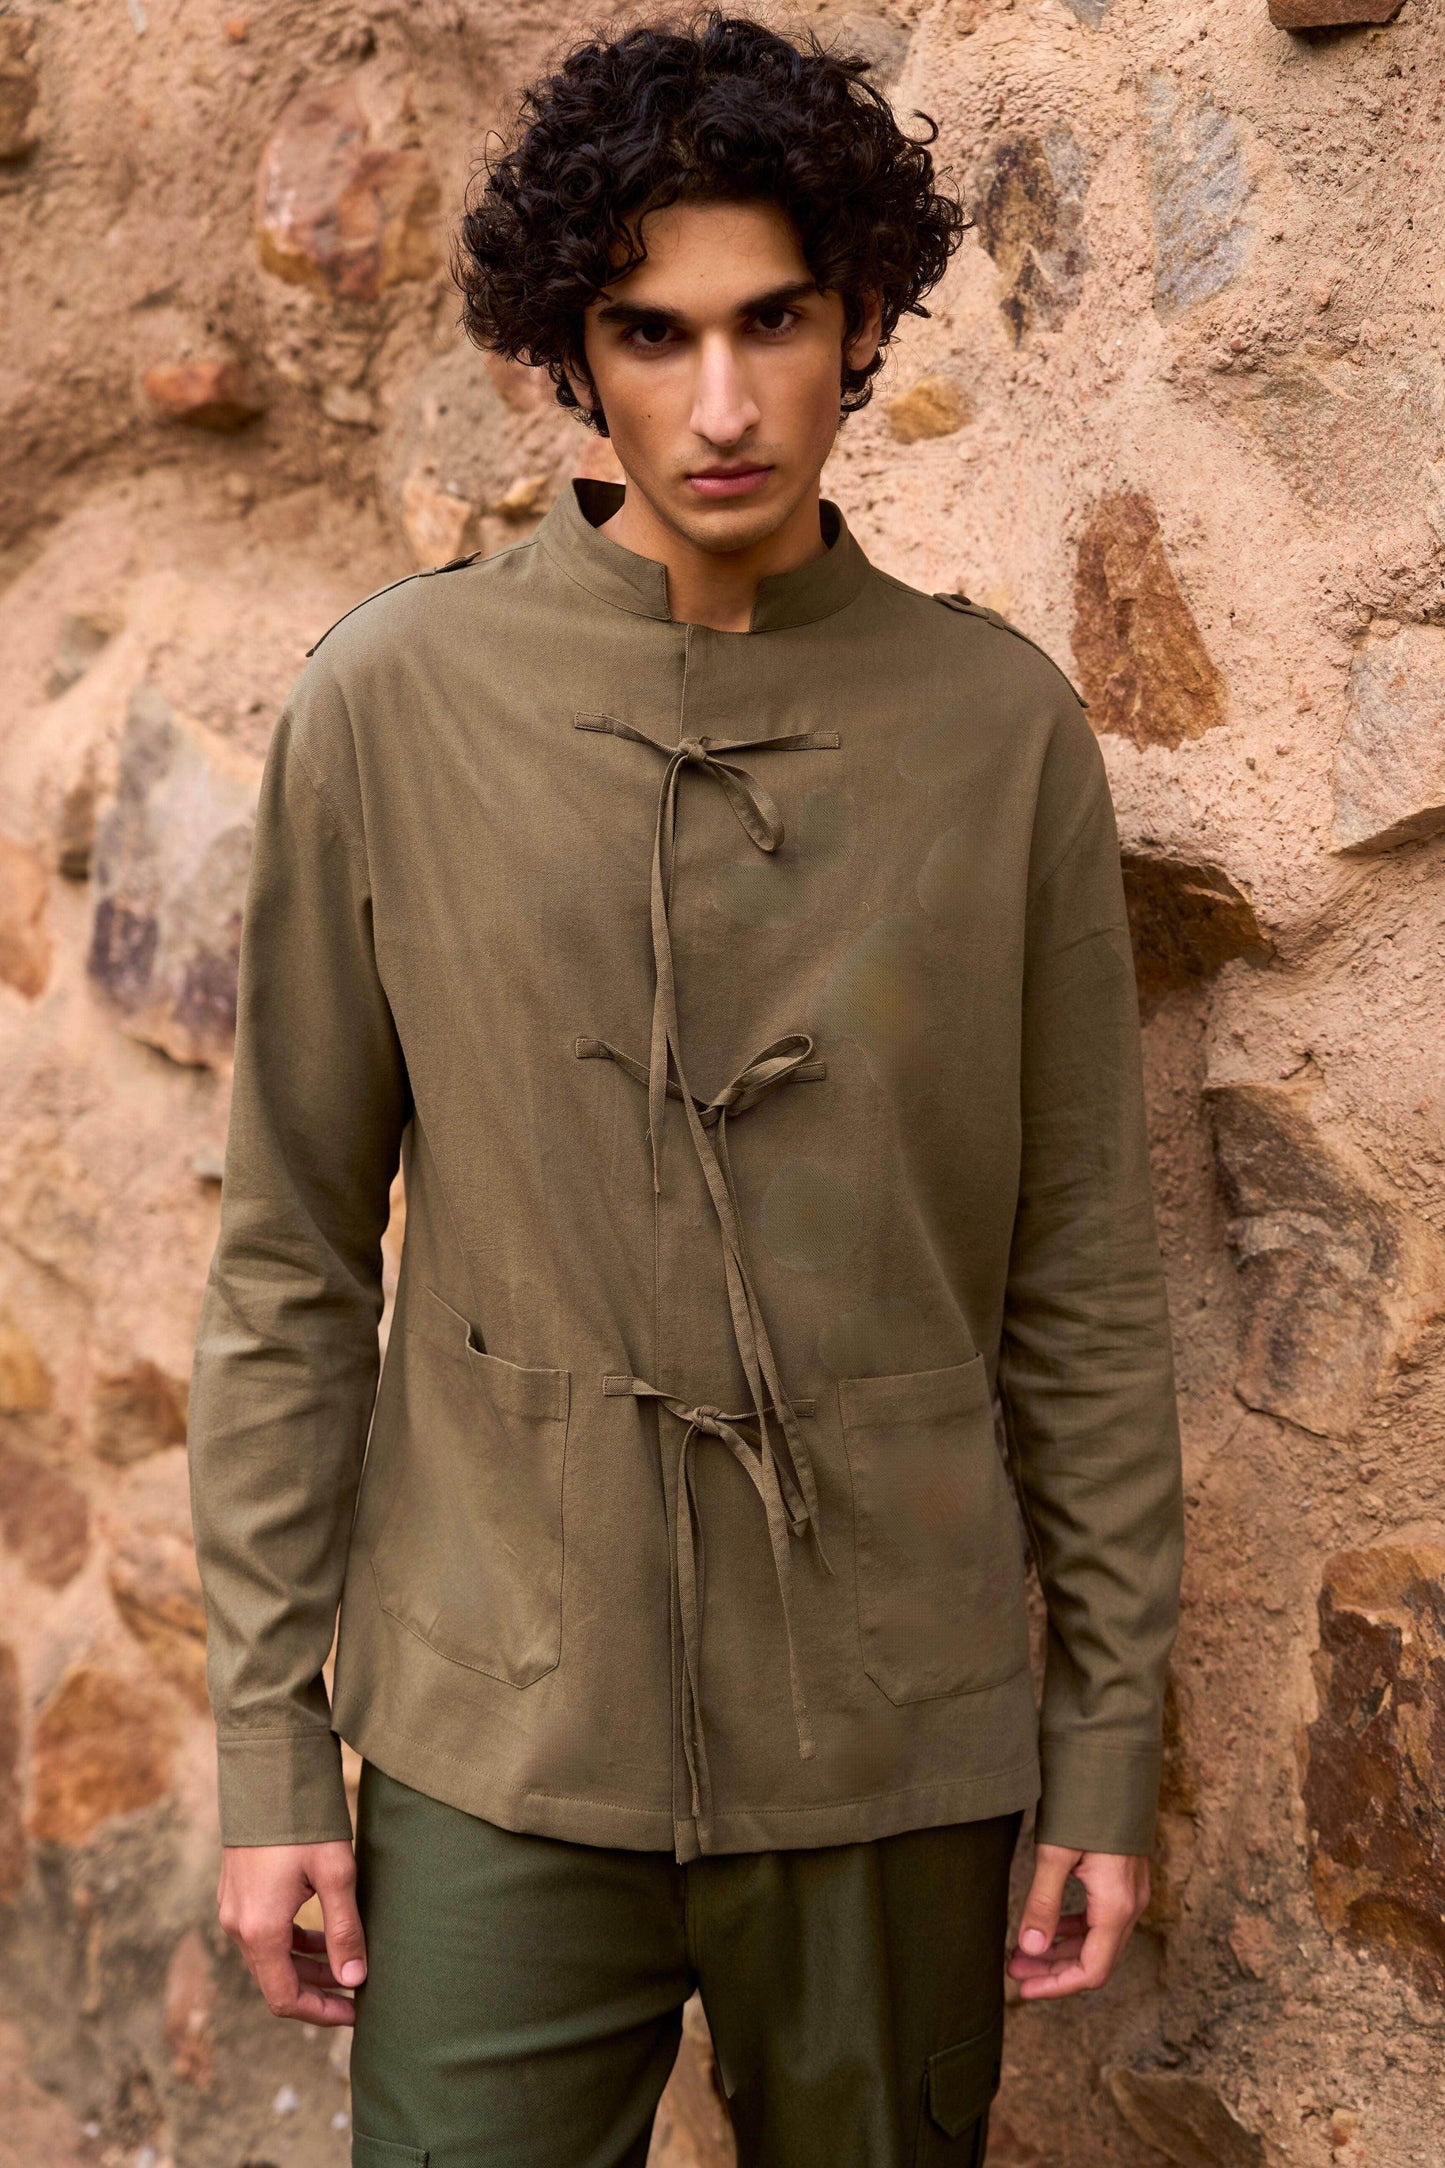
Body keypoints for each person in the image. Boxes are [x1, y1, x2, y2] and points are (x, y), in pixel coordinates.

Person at [186, 12, 1186, 2165]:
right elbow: (286, 1263)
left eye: (774, 322)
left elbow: (1087, 1287)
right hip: (496, 1729)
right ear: (572, 349)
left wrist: (1105, 1742)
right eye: (653, 333)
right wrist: (271, 1752)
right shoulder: (392, 703)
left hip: (894, 1741)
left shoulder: (1000, 734)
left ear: (863, 320)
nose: (720, 406)